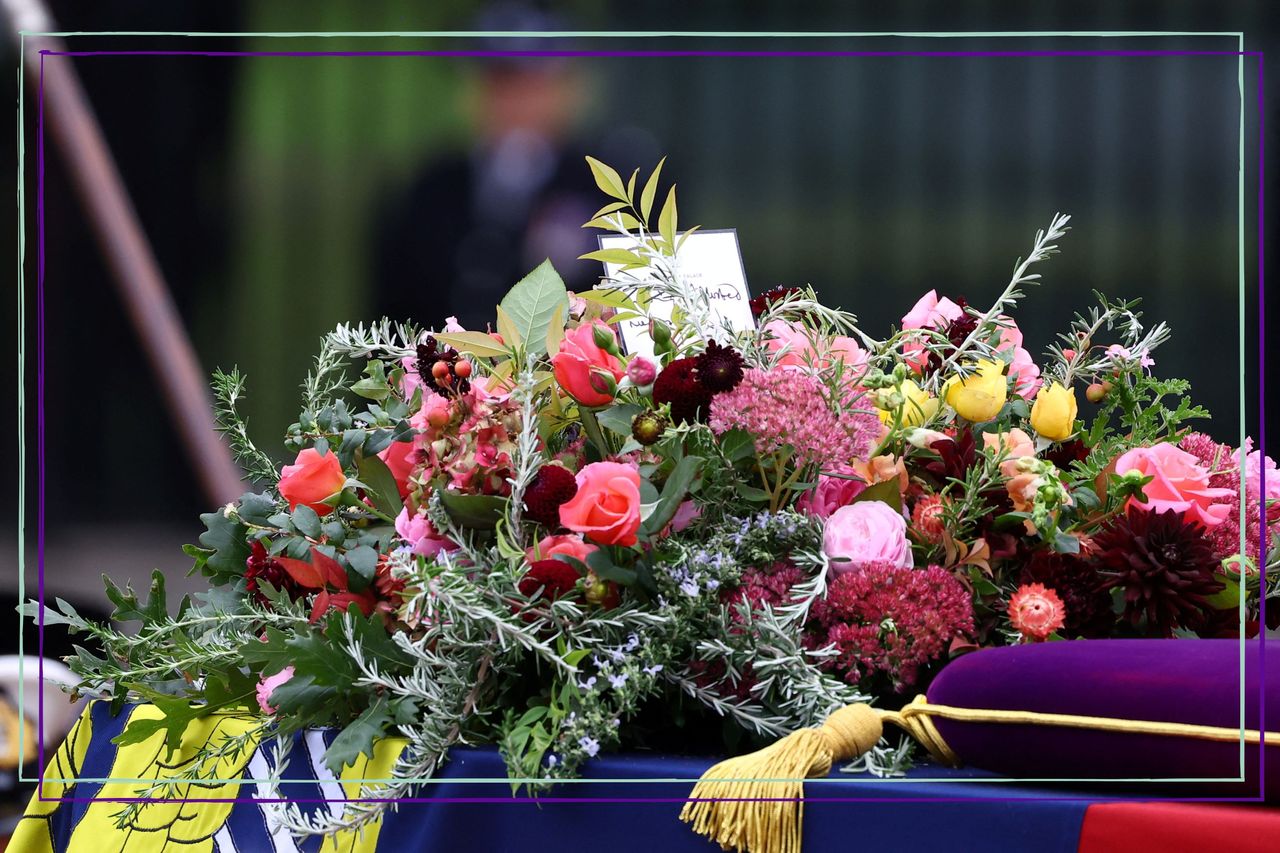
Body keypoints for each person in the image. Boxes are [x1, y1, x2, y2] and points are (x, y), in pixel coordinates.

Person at [375, 3, 659, 330]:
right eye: (498, 84)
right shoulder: (428, 191)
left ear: (571, 88)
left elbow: (644, 324)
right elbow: (387, 327)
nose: (514, 103)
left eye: (533, 85)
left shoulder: (612, 187)